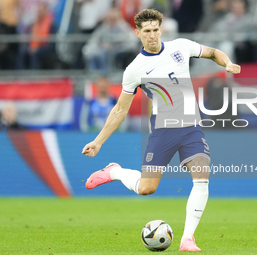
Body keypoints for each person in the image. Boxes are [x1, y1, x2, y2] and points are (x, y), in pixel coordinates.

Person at [81, 9, 241, 252]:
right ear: (137, 33)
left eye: (156, 29)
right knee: (147, 189)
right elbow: (120, 110)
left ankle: (188, 239)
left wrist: (227, 63)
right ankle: (115, 172)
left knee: (202, 179)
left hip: (191, 127)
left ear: (161, 29)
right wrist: (99, 141)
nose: (153, 35)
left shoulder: (181, 46)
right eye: (147, 31)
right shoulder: (135, 69)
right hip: (163, 130)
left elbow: (212, 53)